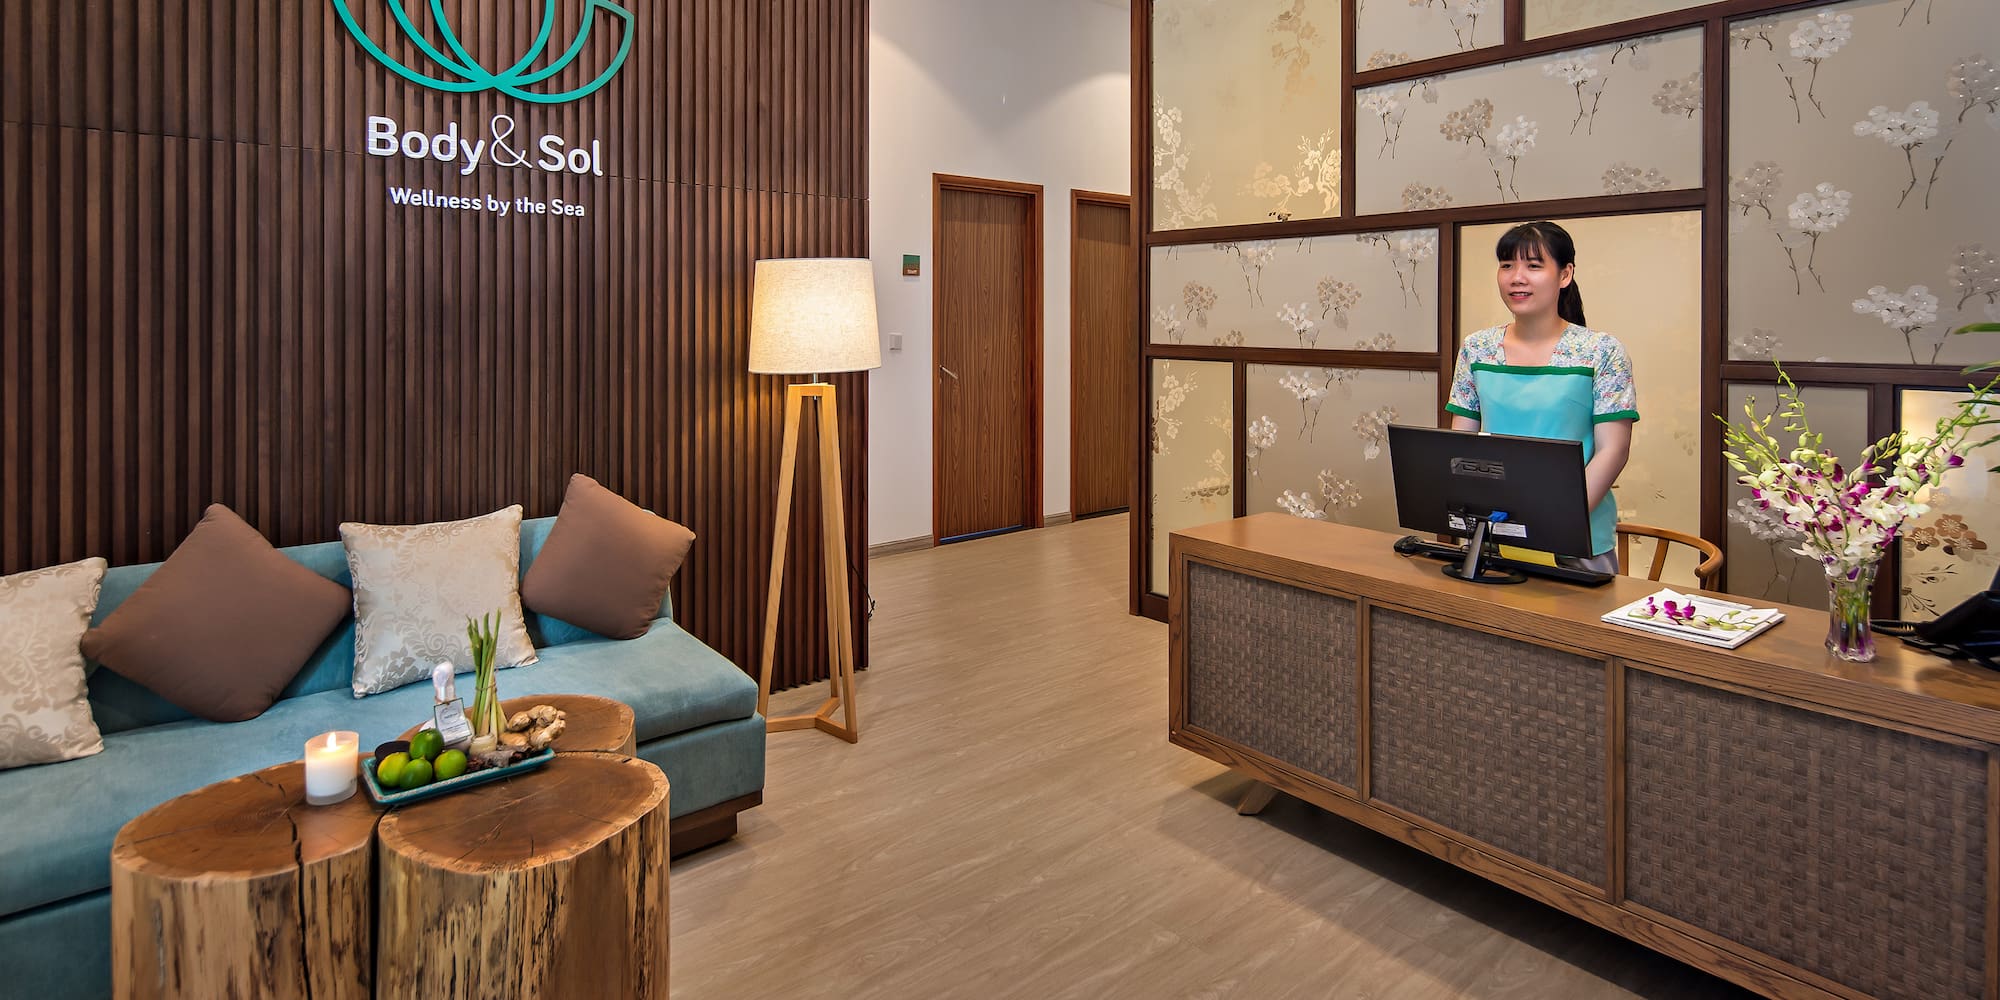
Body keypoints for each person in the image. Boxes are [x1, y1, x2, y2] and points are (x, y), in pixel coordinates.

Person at [1445, 221, 1636, 574]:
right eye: (1507, 265)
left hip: (1577, 541)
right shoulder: (1477, 348)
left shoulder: (1601, 351)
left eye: (1533, 266)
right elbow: (1462, 446)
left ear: (1565, 275)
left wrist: (1557, 522)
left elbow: (1614, 450)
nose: (1517, 277)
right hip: (1492, 536)